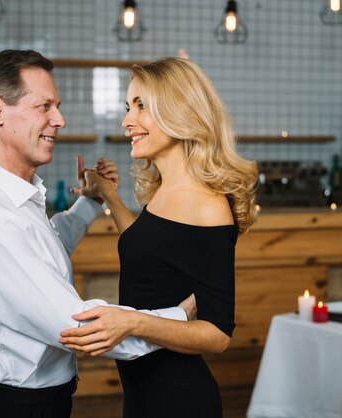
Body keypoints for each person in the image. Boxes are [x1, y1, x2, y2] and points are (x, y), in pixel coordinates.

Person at [0, 50, 195, 418]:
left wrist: (90, 202)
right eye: (45, 107)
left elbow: (40, 247)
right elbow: (81, 327)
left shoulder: (9, 201)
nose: (61, 120)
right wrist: (181, 317)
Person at [59, 57, 259, 418]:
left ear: (178, 112)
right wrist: (104, 193)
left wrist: (132, 322)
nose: (126, 121)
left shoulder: (208, 207)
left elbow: (218, 334)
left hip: (180, 402)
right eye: (127, 107)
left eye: (141, 106)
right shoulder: (165, 190)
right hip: (142, 396)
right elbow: (146, 247)